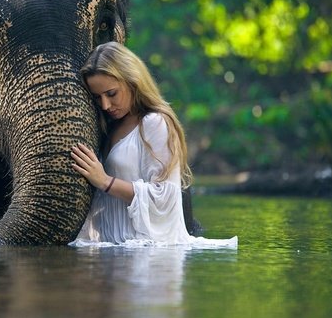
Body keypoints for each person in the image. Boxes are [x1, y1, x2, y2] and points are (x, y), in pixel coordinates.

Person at [70, 42, 237, 248]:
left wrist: (105, 181)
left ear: (133, 81)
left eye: (112, 94)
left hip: (151, 258)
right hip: (113, 252)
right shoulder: (109, 126)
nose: (105, 105)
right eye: (97, 97)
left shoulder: (154, 123)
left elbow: (166, 196)